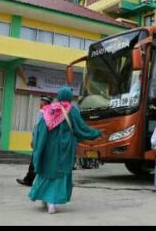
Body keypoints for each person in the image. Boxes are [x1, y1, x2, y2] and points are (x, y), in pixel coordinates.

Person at [28, 87, 101, 215]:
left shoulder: (49, 109)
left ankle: (44, 199)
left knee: (46, 170)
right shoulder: (71, 110)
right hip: (63, 149)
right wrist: (96, 133)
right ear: (69, 96)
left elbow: (39, 129)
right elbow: (81, 128)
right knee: (60, 172)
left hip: (48, 148)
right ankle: (52, 203)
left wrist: (37, 145)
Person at [17, 95, 53, 187]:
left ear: (44, 103)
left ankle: (29, 180)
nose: (40, 104)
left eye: (41, 102)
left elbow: (37, 128)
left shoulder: (41, 112)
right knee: (43, 160)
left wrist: (33, 139)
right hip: (48, 141)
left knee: (35, 160)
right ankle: (40, 181)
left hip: (39, 140)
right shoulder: (52, 113)